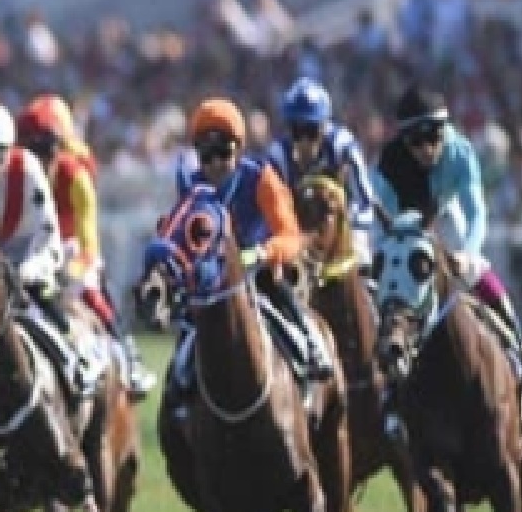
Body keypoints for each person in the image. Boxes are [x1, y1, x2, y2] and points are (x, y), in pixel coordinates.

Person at [162, 97, 331, 383]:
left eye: (223, 152)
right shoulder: (192, 187)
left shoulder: (261, 179)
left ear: (238, 148)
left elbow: (290, 235)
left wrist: (262, 253)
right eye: (207, 155)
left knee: (281, 296)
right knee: (181, 361)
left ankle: (312, 347)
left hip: (260, 276)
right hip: (209, 287)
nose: (215, 164)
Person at [0, 101, 100, 400]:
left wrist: (27, 272)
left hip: (28, 256)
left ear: (9, 150)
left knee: (44, 299)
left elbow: (48, 237)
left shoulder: (27, 170)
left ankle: (75, 358)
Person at [17, 94, 155, 398]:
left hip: (72, 251)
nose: (40, 160)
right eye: (31, 150)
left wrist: (73, 270)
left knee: (91, 293)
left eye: (46, 149)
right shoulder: (18, 176)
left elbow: (88, 240)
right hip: (34, 251)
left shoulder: (75, 175)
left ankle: (128, 356)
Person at [374, 84, 521, 345]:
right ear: (403, 141)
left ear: (445, 129)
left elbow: (476, 212)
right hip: (405, 227)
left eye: (433, 136)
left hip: (445, 217)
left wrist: (469, 254)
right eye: (416, 142)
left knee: (482, 277)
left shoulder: (460, 152)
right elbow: (380, 219)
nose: (427, 149)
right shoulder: (389, 162)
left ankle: (515, 344)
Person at [265, 78, 377, 267]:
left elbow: (365, 200)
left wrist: (342, 227)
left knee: (362, 260)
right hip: (297, 233)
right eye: (297, 132)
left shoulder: (343, 146)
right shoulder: (277, 156)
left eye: (311, 131)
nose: (304, 142)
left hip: (344, 228)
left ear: (325, 126)